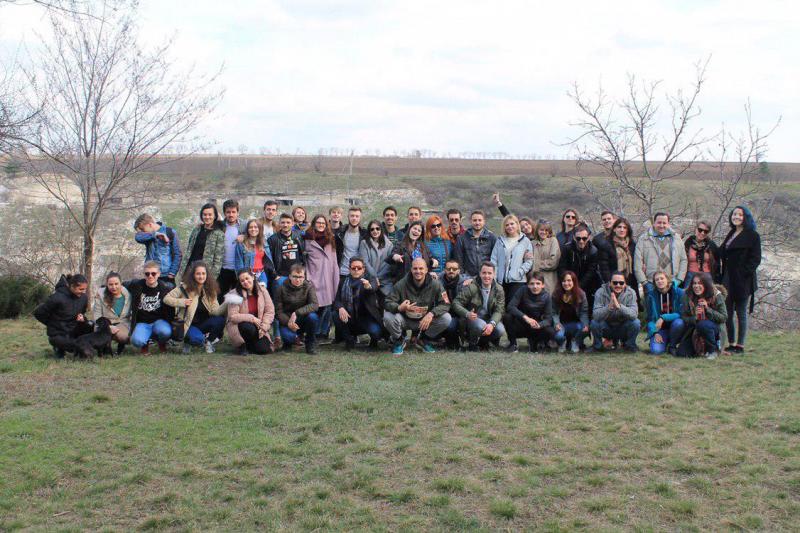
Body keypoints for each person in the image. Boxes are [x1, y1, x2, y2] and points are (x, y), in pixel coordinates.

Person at [383, 257, 452, 355]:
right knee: (388, 316)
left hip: (424, 321)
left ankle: (424, 339)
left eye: (421, 268)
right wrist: (399, 307)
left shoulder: (436, 284)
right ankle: (399, 340)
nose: (418, 271)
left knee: (446, 318)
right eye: (415, 268)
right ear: (411, 270)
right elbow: (387, 302)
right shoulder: (401, 284)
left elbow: (446, 303)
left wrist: (431, 314)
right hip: (405, 319)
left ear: (426, 270)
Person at [719, 206, 761, 353]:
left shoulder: (753, 235)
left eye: (740, 215)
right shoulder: (732, 233)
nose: (736, 217)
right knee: (728, 312)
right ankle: (731, 343)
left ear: (746, 217)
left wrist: (743, 273)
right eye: (734, 214)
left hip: (743, 280)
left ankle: (740, 346)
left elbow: (755, 259)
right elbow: (722, 252)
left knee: (741, 312)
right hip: (728, 278)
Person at [165, 260, 227, 353]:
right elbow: (166, 298)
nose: (201, 276)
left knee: (220, 320)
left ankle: (209, 342)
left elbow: (215, 311)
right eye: (198, 274)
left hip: (203, 324)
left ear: (207, 275)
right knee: (198, 340)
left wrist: (227, 303)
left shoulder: (210, 290)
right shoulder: (184, 287)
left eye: (203, 273)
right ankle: (188, 341)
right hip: (188, 324)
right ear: (193, 275)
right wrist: (182, 302)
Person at [34, 273, 92, 358]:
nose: (83, 292)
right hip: (58, 333)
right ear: (72, 286)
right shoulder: (56, 298)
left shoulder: (84, 298)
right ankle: (60, 348)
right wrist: (52, 324)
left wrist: (82, 318)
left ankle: (79, 347)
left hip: (74, 328)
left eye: (85, 289)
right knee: (76, 345)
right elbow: (38, 313)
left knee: (92, 327)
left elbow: (82, 312)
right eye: (81, 289)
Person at [452, 261, 506, 351]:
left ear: (494, 274)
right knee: (480, 325)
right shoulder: (471, 287)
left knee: (500, 329)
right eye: (484, 273)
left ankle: (482, 343)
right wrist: (467, 313)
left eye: (489, 273)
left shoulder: (499, 289)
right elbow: (456, 303)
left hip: (489, 319)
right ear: (480, 274)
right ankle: (472, 343)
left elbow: (499, 310)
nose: (486, 276)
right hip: (473, 319)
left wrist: (492, 324)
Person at [333, 256, 384, 351]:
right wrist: (340, 308)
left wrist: (368, 287)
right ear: (349, 269)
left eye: (359, 268)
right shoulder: (343, 281)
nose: (356, 270)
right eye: (353, 268)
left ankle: (374, 341)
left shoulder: (370, 279)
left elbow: (374, 287)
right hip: (349, 317)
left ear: (363, 269)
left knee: (376, 332)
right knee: (335, 315)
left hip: (366, 318)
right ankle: (349, 339)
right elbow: (337, 300)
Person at [304, 214, 340, 342]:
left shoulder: (331, 239)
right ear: (314, 224)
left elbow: (334, 259)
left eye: (323, 223)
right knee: (316, 306)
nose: (321, 225)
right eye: (318, 223)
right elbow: (305, 260)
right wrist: (308, 276)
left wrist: (335, 275)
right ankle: (314, 332)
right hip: (314, 276)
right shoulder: (307, 239)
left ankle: (324, 333)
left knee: (328, 306)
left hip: (328, 276)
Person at [634, 212, 687, 295]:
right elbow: (637, 263)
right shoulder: (644, 239)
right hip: (651, 283)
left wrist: (679, 279)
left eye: (664, 223)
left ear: (668, 224)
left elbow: (683, 260)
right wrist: (644, 282)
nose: (661, 225)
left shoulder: (676, 239)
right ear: (654, 223)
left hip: (672, 283)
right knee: (652, 304)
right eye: (659, 222)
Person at [127, 262, 174, 354]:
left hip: (159, 322)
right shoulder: (136, 285)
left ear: (159, 274)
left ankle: (161, 342)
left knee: (166, 332)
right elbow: (120, 286)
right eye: (147, 274)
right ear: (144, 274)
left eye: (153, 273)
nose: (150, 276)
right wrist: (102, 290)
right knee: (136, 341)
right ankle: (145, 342)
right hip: (142, 322)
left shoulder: (164, 288)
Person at [677, 273, 727, 359]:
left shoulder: (716, 295)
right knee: (682, 353)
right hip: (695, 329)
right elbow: (684, 317)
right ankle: (701, 349)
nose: (696, 286)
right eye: (694, 283)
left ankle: (713, 350)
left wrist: (708, 309)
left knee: (703, 324)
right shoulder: (687, 296)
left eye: (700, 283)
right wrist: (695, 317)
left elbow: (723, 317)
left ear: (706, 284)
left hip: (714, 328)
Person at [225, 270, 275, 355]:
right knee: (248, 328)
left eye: (247, 278)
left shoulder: (262, 290)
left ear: (253, 277)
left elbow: (269, 311)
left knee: (264, 350)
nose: (245, 282)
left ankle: (251, 346)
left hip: (259, 326)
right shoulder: (234, 294)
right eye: (242, 281)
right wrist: (251, 318)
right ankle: (242, 346)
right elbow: (232, 316)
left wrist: (264, 326)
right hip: (241, 325)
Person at [590, 271, 640, 353]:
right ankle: (597, 346)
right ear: (610, 283)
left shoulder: (631, 293)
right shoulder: (600, 292)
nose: (618, 285)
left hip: (622, 327)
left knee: (636, 323)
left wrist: (619, 307)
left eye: (621, 283)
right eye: (615, 283)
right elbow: (595, 315)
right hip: (606, 327)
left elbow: (634, 314)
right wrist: (608, 308)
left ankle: (630, 346)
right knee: (594, 323)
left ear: (625, 284)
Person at [274, 264, 320, 354]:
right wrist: (289, 322)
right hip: (287, 320)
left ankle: (310, 343)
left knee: (313, 317)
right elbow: (278, 311)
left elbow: (314, 305)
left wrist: (296, 313)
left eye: (301, 277)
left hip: (303, 318)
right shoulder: (281, 288)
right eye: (295, 276)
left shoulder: (309, 287)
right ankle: (287, 343)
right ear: (290, 276)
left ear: (304, 277)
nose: (298, 280)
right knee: (289, 338)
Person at [503, 273, 554, 353]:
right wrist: (526, 318)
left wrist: (540, 325)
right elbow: (510, 307)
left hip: (537, 326)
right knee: (507, 316)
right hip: (522, 324)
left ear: (543, 285)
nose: (535, 286)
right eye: (532, 284)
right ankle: (513, 344)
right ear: (528, 285)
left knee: (550, 331)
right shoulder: (522, 290)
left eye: (538, 283)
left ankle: (539, 343)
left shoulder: (547, 296)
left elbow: (549, 319)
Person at [557, 224, 601, 317]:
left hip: (586, 284)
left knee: (585, 308)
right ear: (573, 237)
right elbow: (562, 267)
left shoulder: (593, 251)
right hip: (568, 282)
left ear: (589, 238)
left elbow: (591, 271)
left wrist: (578, 286)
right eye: (578, 238)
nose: (581, 241)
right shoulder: (567, 248)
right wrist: (567, 282)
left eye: (584, 238)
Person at [490, 214, 533, 303]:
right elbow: (494, 260)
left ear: (517, 224)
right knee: (501, 306)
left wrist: (519, 272)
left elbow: (529, 261)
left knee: (513, 307)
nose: (510, 226)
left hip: (518, 281)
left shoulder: (525, 241)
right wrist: (495, 277)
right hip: (501, 281)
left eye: (512, 224)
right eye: (507, 225)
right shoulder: (500, 241)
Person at [134, 213, 182, 288]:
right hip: (150, 275)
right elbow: (138, 237)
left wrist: (172, 273)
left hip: (166, 276)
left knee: (168, 295)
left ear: (150, 225)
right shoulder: (148, 236)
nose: (143, 232)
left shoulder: (170, 232)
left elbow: (177, 254)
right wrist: (155, 235)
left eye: (143, 229)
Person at [180, 203, 226, 281]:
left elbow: (218, 260)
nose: (207, 217)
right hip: (190, 269)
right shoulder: (196, 230)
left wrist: (211, 278)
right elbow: (189, 250)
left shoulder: (219, 234)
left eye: (210, 215)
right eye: (205, 215)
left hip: (204, 273)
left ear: (215, 216)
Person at [645, 271, 685, 355]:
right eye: (657, 280)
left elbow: (681, 313)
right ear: (654, 283)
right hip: (660, 329)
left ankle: (672, 345)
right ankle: (663, 342)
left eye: (662, 278)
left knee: (679, 323)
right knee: (656, 351)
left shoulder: (679, 292)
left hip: (675, 327)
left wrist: (663, 317)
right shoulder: (651, 296)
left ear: (668, 279)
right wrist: (655, 332)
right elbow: (650, 319)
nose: (660, 281)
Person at [92, 271, 131, 354]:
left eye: (116, 284)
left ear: (121, 283)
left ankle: (121, 346)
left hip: (122, 323)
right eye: (110, 284)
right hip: (104, 323)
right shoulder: (100, 295)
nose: (114, 287)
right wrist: (108, 327)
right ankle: (104, 347)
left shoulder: (128, 294)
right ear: (107, 284)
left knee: (124, 337)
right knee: (101, 331)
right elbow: (97, 316)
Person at [551, 271, 590, 353]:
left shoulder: (581, 294)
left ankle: (575, 341)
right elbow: (553, 312)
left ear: (574, 282)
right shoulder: (555, 294)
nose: (566, 283)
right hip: (561, 325)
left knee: (586, 329)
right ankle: (562, 342)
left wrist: (585, 324)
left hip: (576, 325)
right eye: (564, 281)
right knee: (558, 336)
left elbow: (584, 312)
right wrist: (556, 323)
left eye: (569, 280)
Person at [454, 210, 497, 277]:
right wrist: (462, 276)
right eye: (475, 220)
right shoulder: (462, 238)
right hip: (468, 277)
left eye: (480, 220)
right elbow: (459, 260)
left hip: (486, 276)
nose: (477, 223)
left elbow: (496, 259)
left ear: (484, 221)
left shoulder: (491, 238)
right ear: (471, 221)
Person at [440, 258, 472, 350]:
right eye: (448, 269)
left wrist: (473, 280)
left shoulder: (465, 281)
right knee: (450, 326)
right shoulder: (439, 281)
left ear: (458, 271)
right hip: (446, 313)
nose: (451, 271)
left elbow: (480, 279)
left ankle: (468, 340)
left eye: (454, 269)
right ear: (444, 270)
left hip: (462, 313)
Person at [267, 213, 306, 286]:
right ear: (279, 223)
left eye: (288, 222)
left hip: (297, 275)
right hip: (281, 276)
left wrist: (304, 270)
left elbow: (304, 254)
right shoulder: (272, 239)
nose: (285, 225)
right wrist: (275, 275)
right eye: (283, 222)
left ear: (292, 224)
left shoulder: (299, 236)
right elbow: (268, 260)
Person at [606, 218, 638, 305]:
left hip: (630, 279)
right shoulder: (608, 244)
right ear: (614, 229)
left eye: (625, 227)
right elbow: (604, 266)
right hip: (615, 281)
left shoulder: (632, 244)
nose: (622, 229)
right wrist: (610, 280)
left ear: (628, 230)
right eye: (619, 227)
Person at [218, 199, 247, 295]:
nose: (231, 215)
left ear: (238, 212)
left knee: (239, 297)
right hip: (223, 269)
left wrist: (245, 236)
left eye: (233, 212)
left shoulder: (244, 225)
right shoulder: (219, 226)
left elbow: (256, 234)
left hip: (239, 269)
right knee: (221, 297)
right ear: (224, 213)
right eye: (228, 212)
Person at [358, 220, 394, 297]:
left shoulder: (389, 245)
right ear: (369, 231)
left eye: (377, 228)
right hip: (369, 280)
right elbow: (365, 262)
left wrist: (379, 277)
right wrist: (374, 278)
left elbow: (389, 264)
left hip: (385, 280)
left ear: (381, 229)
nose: (375, 231)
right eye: (372, 229)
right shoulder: (364, 243)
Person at [235, 219, 274, 287]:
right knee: (250, 293)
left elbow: (269, 259)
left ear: (260, 229)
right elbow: (239, 262)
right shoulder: (241, 243)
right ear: (247, 229)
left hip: (261, 273)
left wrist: (273, 273)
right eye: (250, 227)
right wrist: (241, 277)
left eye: (256, 227)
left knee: (263, 292)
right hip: (248, 275)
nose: (253, 229)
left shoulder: (264, 242)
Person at [683, 220, 721, 289]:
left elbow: (717, 262)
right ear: (696, 229)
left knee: (707, 295)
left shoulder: (711, 245)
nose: (702, 233)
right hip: (690, 275)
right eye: (700, 230)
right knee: (687, 295)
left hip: (707, 275)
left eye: (706, 231)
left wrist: (717, 278)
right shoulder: (688, 243)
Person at [336, 206, 368, 279]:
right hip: (342, 273)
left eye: (357, 216)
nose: (354, 218)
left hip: (359, 273)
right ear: (348, 217)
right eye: (352, 216)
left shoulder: (365, 234)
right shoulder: (340, 233)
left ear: (360, 218)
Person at [531, 220, 561, 294]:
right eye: (541, 230)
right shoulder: (532, 243)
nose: (544, 232)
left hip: (549, 280)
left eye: (546, 230)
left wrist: (536, 264)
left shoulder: (553, 241)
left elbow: (553, 262)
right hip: (534, 280)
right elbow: (528, 260)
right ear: (537, 230)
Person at [593, 210, 617, 283]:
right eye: (604, 219)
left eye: (609, 219)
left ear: (614, 220)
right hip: (603, 275)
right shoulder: (597, 239)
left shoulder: (620, 236)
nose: (607, 221)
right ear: (602, 222)